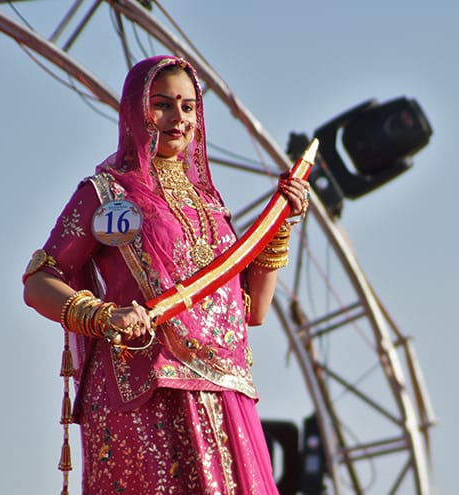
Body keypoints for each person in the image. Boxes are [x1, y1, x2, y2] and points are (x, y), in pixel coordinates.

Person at [22, 55, 309, 495]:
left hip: (224, 391)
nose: (178, 118)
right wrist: (102, 316)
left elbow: (251, 311)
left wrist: (279, 227)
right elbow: (40, 280)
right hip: (145, 389)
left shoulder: (212, 206)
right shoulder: (107, 193)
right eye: (162, 105)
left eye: (188, 107)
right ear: (135, 111)